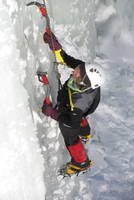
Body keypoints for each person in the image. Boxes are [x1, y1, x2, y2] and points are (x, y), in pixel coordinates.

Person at [40, 30, 102, 175]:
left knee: (69, 132)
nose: (75, 71)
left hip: (77, 110)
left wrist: (51, 112)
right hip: (80, 108)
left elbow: (70, 122)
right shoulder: (84, 71)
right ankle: (85, 133)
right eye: (79, 69)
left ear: (83, 84)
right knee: (77, 118)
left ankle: (81, 162)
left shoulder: (78, 103)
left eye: (78, 74)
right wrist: (56, 48)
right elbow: (66, 60)